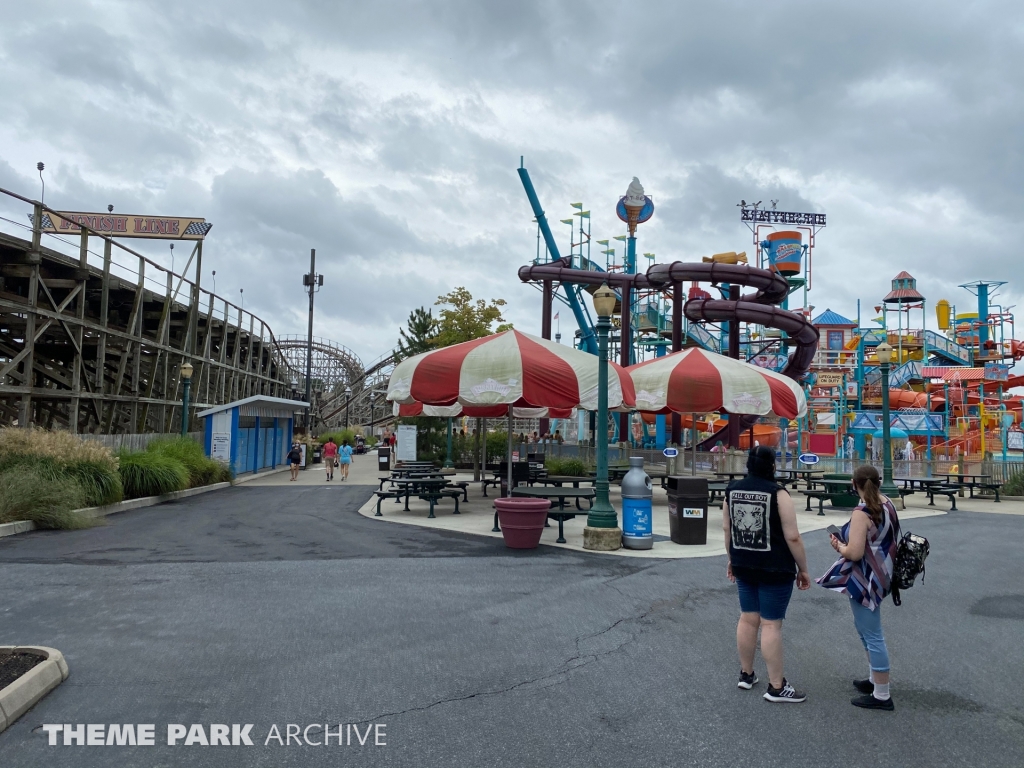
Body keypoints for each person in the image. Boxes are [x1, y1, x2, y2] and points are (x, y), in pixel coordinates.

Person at [723, 445, 812, 703]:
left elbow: (728, 529)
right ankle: (776, 686)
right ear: (772, 466)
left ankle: (746, 674)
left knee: (748, 619)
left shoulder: (732, 490)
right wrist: (803, 569)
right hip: (774, 566)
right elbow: (792, 536)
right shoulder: (778, 493)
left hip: (743, 562)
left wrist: (731, 559)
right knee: (771, 624)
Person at [817, 465, 899, 711]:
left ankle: (882, 695)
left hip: (866, 577)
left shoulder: (861, 512)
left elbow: (853, 552)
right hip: (883, 574)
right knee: (866, 629)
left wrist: (839, 547)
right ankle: (874, 680)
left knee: (873, 634)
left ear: (854, 484)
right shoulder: (887, 504)